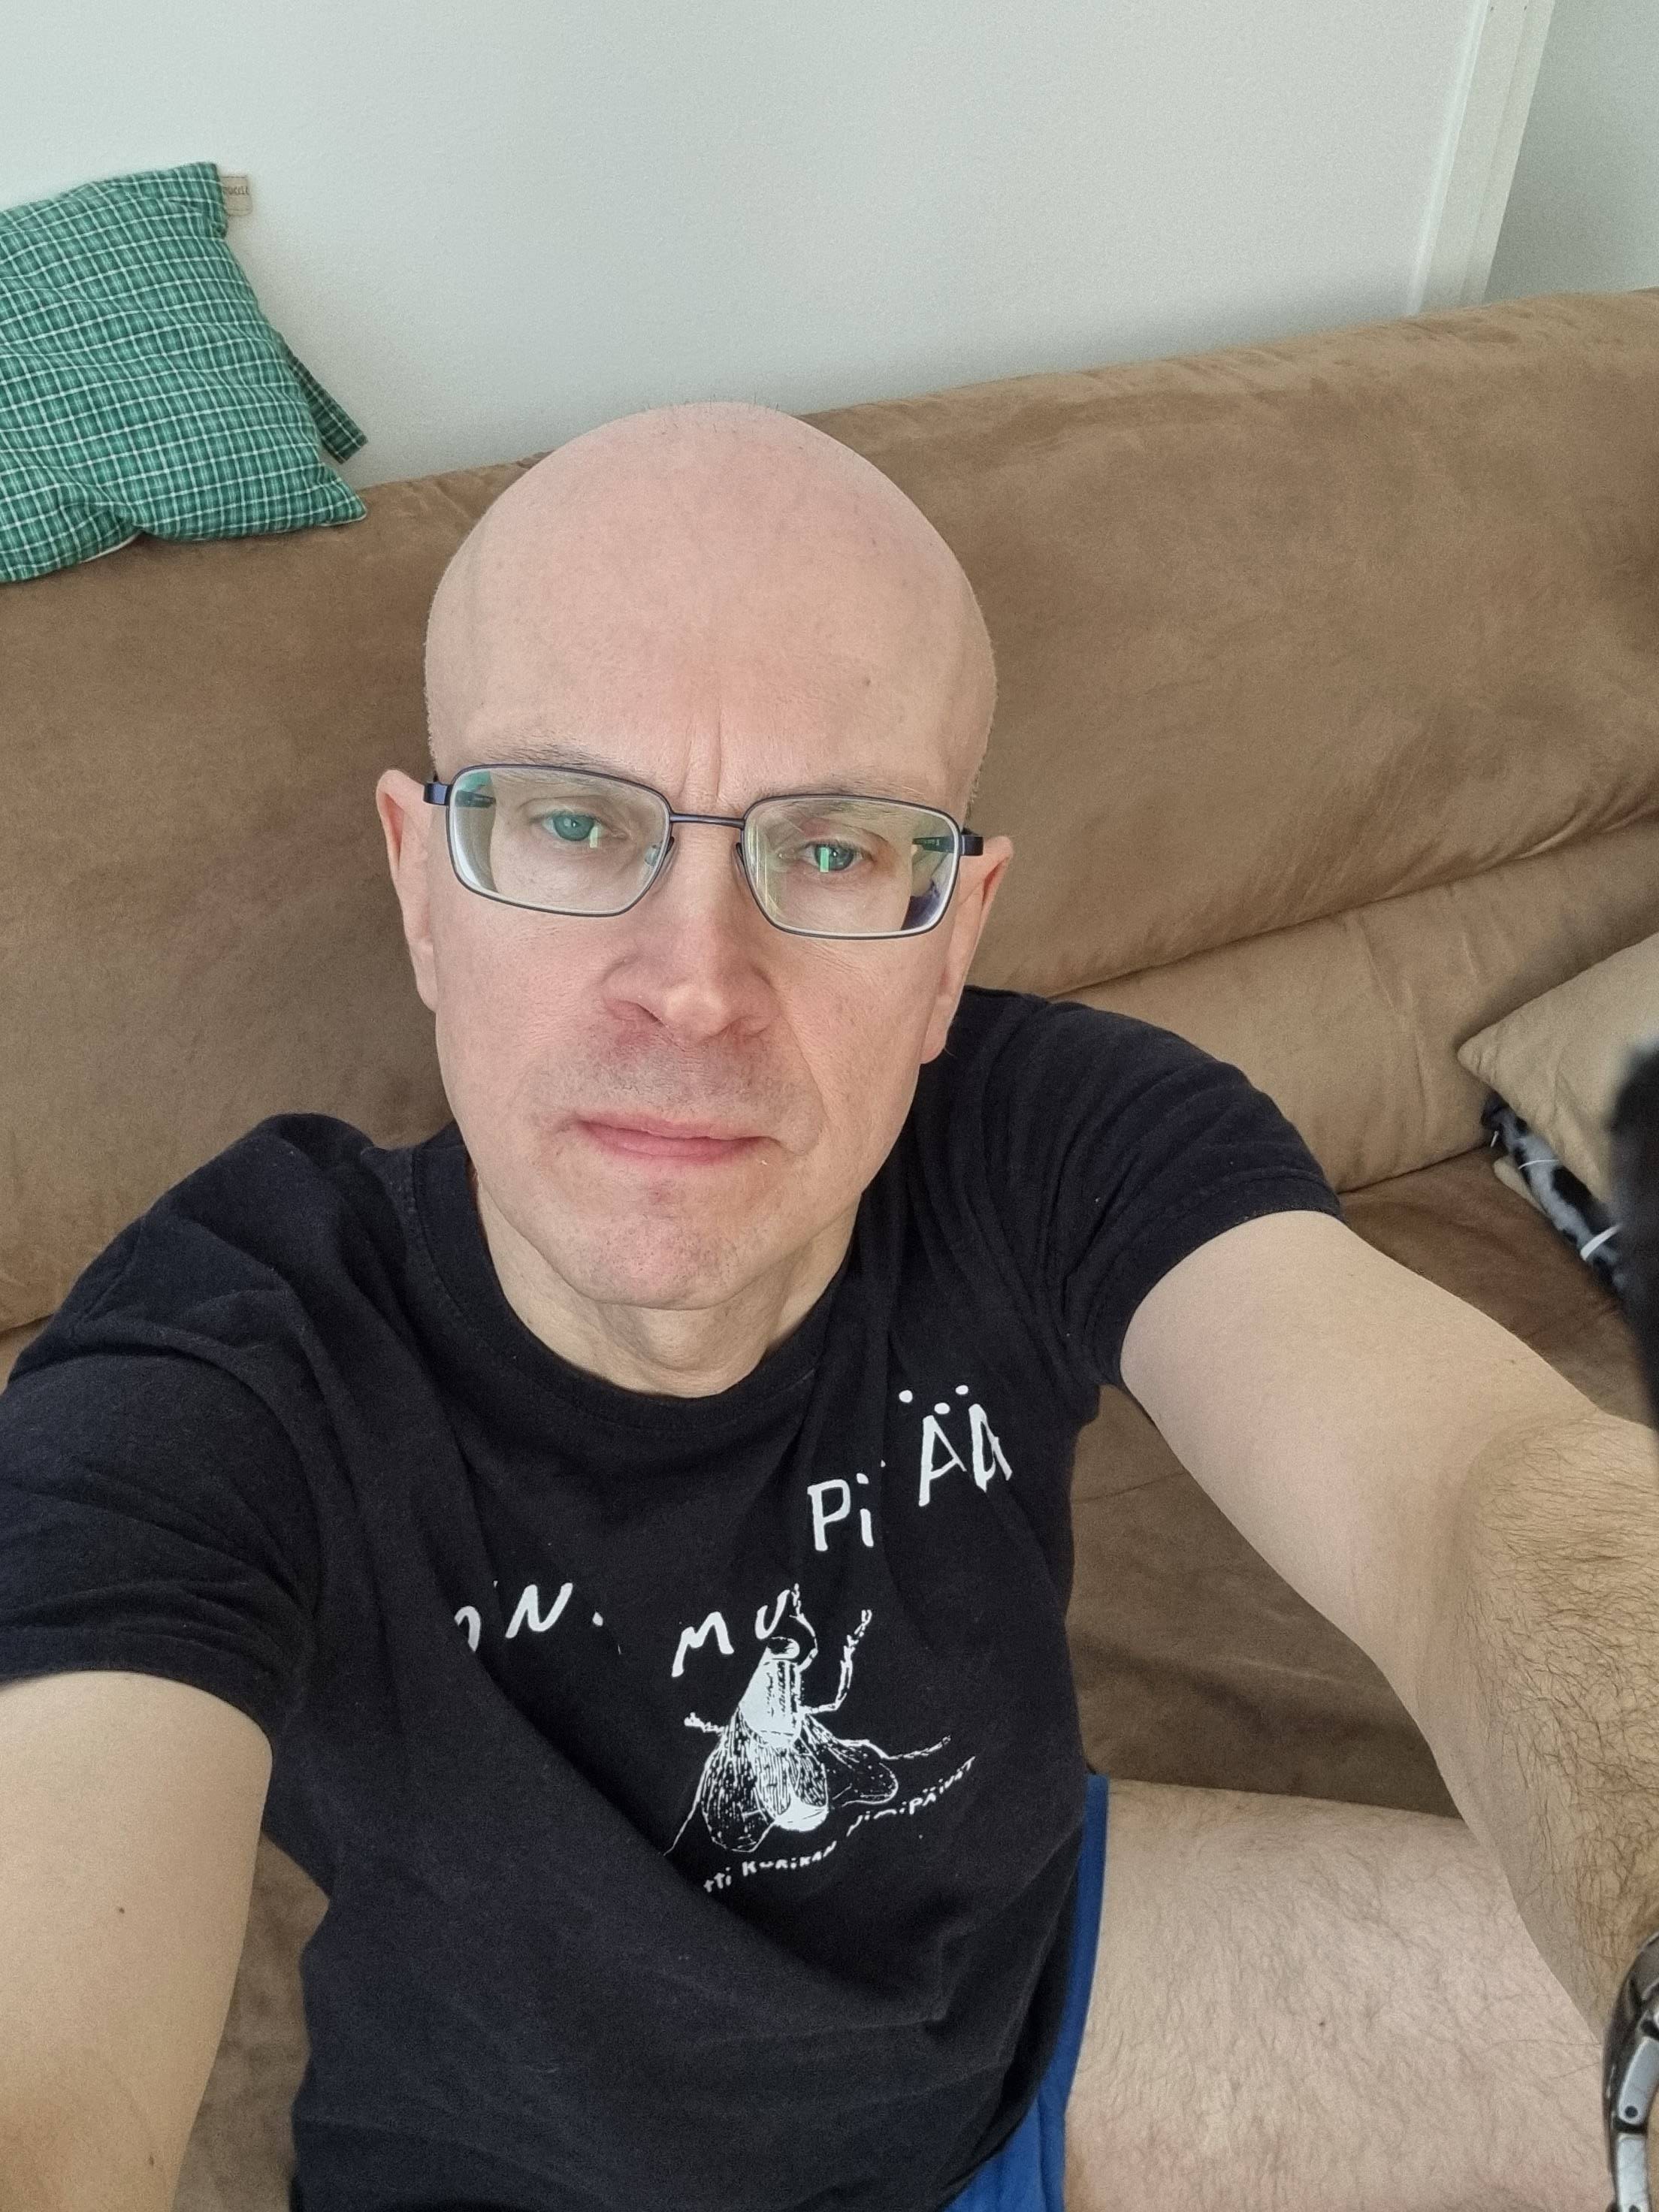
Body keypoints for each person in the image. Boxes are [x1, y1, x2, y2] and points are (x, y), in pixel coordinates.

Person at [0, 397, 1645, 2212]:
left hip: (1045, 2003)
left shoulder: (1056, 1136)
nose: (696, 984)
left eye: (837, 850)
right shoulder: (234, 1360)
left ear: (952, 941)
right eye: (574, 821)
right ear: (423, 886)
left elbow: (1473, 1492)